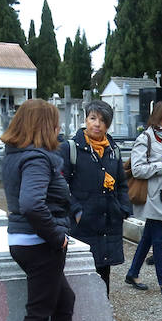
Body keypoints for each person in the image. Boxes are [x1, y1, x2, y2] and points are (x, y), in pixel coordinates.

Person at [0, 99, 97, 321]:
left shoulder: (17, 155)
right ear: (45, 125)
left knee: (63, 299)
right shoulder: (37, 159)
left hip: (26, 240)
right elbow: (31, 204)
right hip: (40, 243)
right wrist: (57, 236)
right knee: (39, 310)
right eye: (55, 122)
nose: (59, 128)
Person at [60, 100, 131, 295]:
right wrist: (76, 211)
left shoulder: (113, 150)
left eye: (102, 120)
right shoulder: (71, 148)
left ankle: (104, 313)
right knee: (82, 270)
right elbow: (60, 185)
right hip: (83, 221)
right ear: (85, 120)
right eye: (92, 118)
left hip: (108, 219)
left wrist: (123, 208)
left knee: (103, 269)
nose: (97, 124)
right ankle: (82, 315)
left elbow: (122, 184)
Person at [124, 101, 162, 297]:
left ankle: (133, 273)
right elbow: (137, 169)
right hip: (155, 196)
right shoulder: (145, 139)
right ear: (158, 117)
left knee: (149, 237)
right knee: (159, 240)